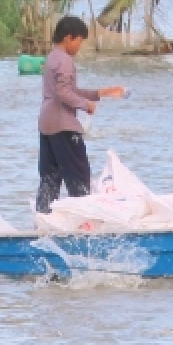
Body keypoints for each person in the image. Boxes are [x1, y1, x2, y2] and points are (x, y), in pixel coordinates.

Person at [35, 15, 125, 213]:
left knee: (49, 178)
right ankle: (84, 222)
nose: (79, 47)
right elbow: (63, 92)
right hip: (63, 125)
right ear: (69, 38)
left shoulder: (52, 58)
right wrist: (86, 105)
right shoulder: (65, 60)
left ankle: (43, 219)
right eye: (79, 41)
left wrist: (101, 93)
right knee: (79, 175)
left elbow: (67, 90)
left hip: (46, 124)